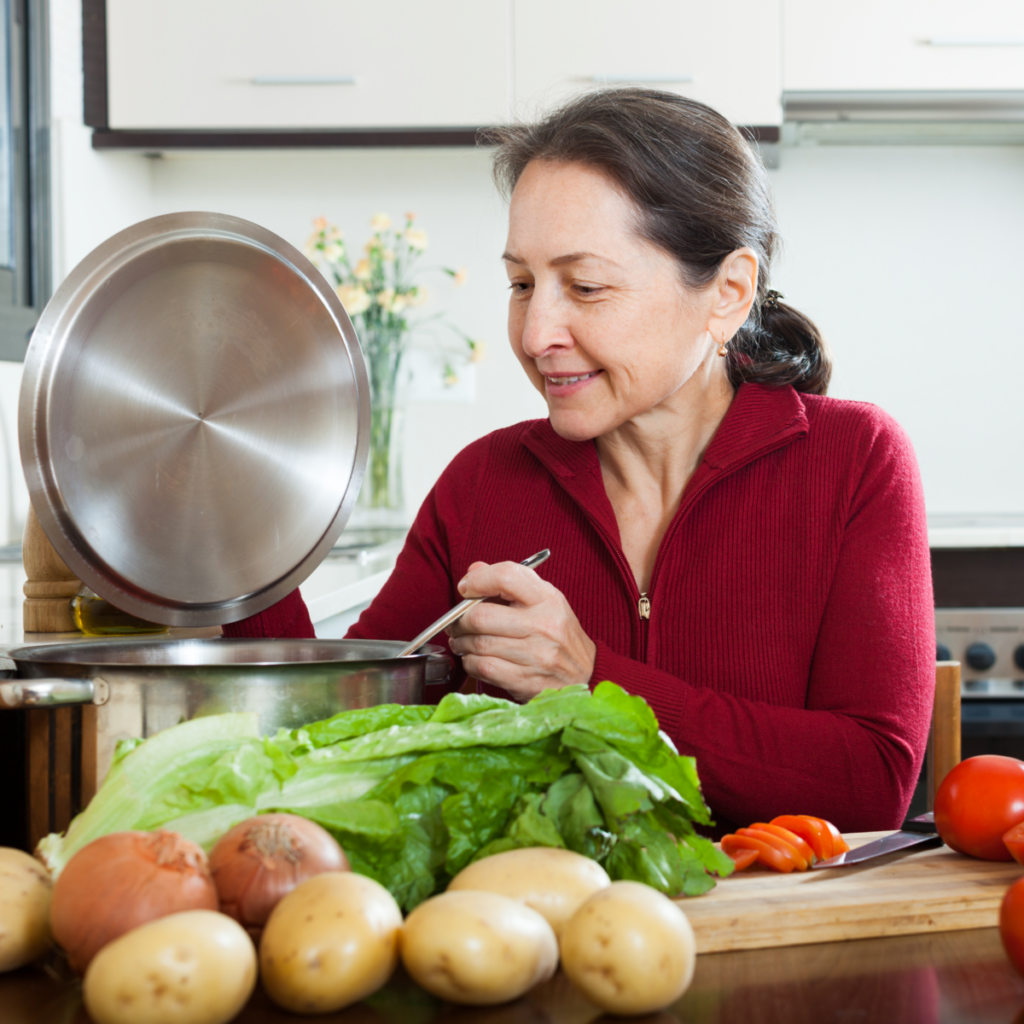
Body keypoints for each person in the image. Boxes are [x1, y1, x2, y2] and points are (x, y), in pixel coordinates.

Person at [225, 89, 935, 834]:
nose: (535, 335)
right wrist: (242, 537)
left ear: (727, 293)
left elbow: (870, 785)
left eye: (586, 288)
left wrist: (589, 681)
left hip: (769, 941)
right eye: (522, 284)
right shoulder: (483, 484)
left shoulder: (855, 461)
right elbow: (333, 742)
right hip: (530, 942)